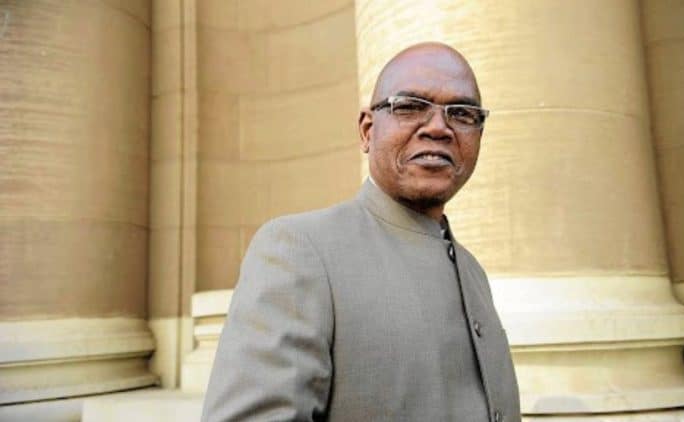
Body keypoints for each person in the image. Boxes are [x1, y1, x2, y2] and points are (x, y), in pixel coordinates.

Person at [201, 42, 521, 422]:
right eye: (410, 106)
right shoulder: (300, 250)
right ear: (368, 130)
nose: (439, 127)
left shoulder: (472, 271)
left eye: (462, 113)